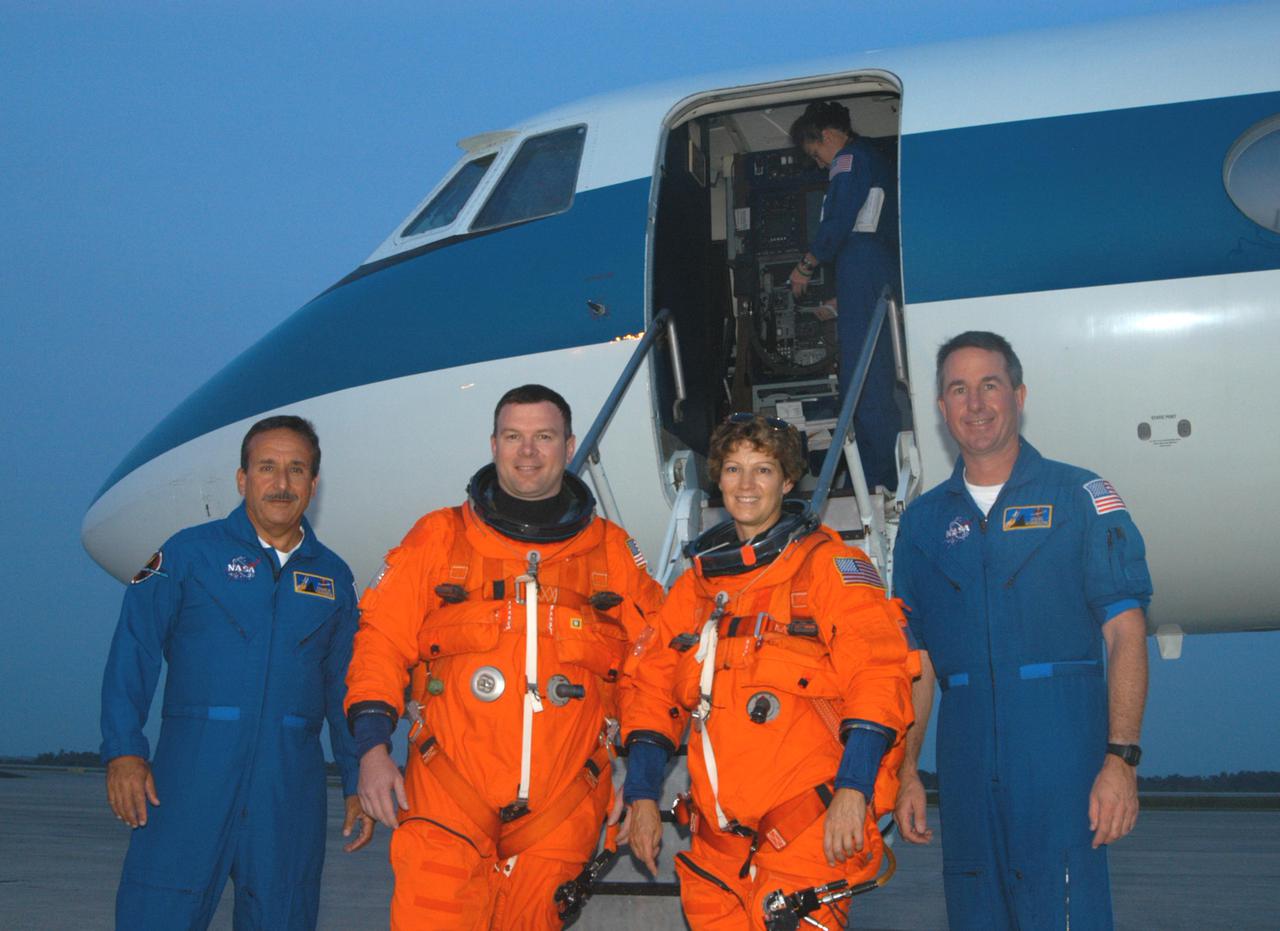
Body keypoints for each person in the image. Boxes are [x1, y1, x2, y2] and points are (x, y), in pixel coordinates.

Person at [346, 384, 664, 930]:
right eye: (514, 437)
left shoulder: (609, 552)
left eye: (544, 437)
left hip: (562, 807)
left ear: (569, 447)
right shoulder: (440, 539)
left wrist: (639, 785)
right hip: (448, 795)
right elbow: (380, 641)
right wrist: (372, 750)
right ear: (493, 444)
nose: (528, 453)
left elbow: (654, 669)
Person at [892, 331, 1153, 930]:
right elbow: (917, 662)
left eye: (990, 385)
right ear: (941, 408)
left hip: (1061, 768)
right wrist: (906, 770)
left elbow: (1125, 634)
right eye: (959, 389)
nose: (975, 404)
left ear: (1019, 395)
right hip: (964, 772)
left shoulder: (1081, 497)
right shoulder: (923, 524)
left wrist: (1121, 761)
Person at [619, 413, 913, 930]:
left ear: (788, 479)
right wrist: (641, 794)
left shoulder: (826, 568)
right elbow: (652, 689)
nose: (746, 485)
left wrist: (853, 789)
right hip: (718, 850)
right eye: (733, 469)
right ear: (718, 479)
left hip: (806, 829)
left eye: (763, 470)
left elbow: (877, 675)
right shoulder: (694, 591)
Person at [100, 415, 372, 930]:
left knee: (283, 914)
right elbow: (133, 650)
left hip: (287, 791)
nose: (282, 483)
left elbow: (345, 686)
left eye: (297, 470)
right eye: (267, 467)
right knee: (158, 913)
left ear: (313, 485)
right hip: (188, 781)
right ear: (242, 479)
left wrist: (356, 777)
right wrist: (124, 751)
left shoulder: (332, 578)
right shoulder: (187, 554)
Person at [788, 100, 901, 491]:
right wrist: (842, 301)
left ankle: (876, 480)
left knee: (864, 382)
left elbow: (840, 221)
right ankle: (874, 474)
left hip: (863, 266)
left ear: (830, 136)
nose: (820, 163)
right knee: (871, 377)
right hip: (870, 272)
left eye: (816, 152)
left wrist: (805, 265)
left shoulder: (849, 159)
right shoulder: (873, 158)